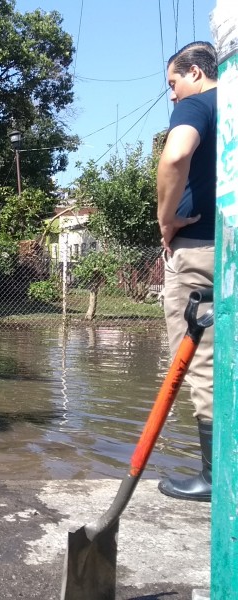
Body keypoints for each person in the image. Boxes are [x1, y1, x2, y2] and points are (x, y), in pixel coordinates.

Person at [156, 41, 217, 502]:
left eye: (173, 83)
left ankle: (215, 478)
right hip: (229, 247)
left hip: (200, 253)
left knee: (201, 363)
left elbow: (176, 156)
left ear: (195, 73)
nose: (172, 95)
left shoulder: (197, 104)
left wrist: (167, 218)